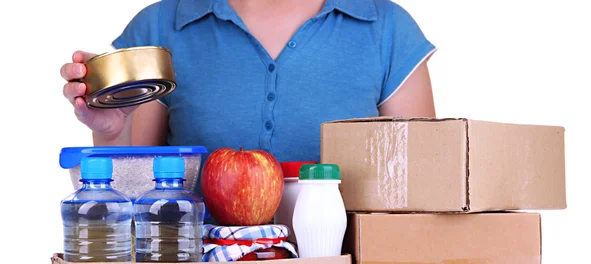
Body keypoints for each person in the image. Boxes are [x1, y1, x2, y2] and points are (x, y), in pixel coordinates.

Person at [60, 0, 436, 163]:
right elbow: (134, 209)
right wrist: (112, 133)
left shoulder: (387, 30)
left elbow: (421, 195)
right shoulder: (160, 29)